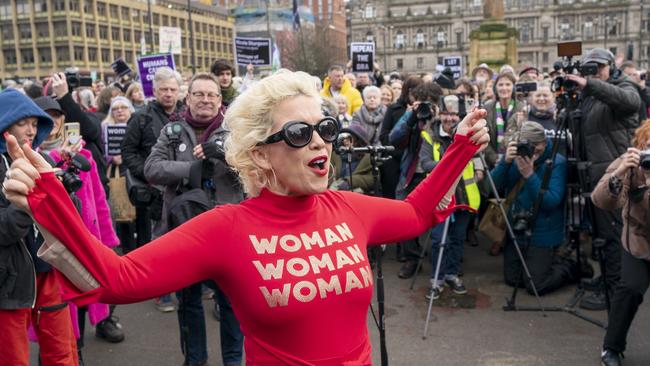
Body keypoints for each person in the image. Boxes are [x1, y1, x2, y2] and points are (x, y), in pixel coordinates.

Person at [2, 70, 489, 365]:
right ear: (260, 156)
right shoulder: (226, 229)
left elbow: (416, 211)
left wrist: (461, 146)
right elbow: (116, 279)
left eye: (324, 127)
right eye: (299, 132)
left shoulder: (349, 208)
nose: (319, 141)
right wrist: (48, 203)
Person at [144, 73, 245, 366]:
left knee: (231, 303)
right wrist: (190, 169)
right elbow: (152, 169)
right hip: (185, 229)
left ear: (219, 99)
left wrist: (225, 154)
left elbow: (256, 164)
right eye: (198, 94)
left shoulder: (235, 131)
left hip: (228, 230)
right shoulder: (172, 131)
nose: (205, 99)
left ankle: (233, 361)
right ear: (187, 99)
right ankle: (195, 360)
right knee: (188, 302)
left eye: (211, 95)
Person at [34, 96, 125, 353]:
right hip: (52, 247)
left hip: (86, 239)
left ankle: (81, 347)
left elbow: (99, 200)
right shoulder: (34, 158)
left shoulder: (83, 156)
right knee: (58, 309)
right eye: (45, 117)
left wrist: (108, 240)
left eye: (57, 116)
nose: (52, 121)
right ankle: (68, 350)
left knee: (85, 296)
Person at [0, 89, 78, 366]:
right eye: (23, 122)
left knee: (62, 355)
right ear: (4, 122)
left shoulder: (43, 160)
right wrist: (30, 202)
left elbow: (68, 220)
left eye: (35, 123)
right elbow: (4, 230)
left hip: (48, 271)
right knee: (13, 359)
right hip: (8, 281)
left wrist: (65, 196)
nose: (31, 130)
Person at [564, 48, 641, 310]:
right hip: (596, 178)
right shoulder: (589, 97)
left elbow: (631, 102)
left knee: (614, 238)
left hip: (618, 177)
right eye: (589, 68)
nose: (595, 72)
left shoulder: (622, 86)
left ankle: (614, 292)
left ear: (611, 66)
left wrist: (591, 85)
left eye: (599, 67)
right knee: (602, 236)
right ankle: (607, 279)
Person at [121, 67, 184, 312]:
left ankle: (195, 285)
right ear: (154, 91)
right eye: (164, 90)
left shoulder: (185, 115)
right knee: (160, 243)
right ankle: (162, 292)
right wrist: (147, 173)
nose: (168, 94)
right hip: (155, 190)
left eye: (172, 89)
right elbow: (128, 152)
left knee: (187, 238)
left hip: (182, 187)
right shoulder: (141, 117)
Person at [492, 122, 577, 296]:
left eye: (536, 147)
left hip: (542, 233)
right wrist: (505, 163)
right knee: (512, 280)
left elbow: (551, 201)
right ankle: (537, 265)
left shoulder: (556, 162)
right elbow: (492, 186)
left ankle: (570, 266)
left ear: (545, 143)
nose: (532, 152)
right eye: (527, 146)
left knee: (535, 286)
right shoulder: (517, 157)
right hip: (517, 228)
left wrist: (529, 175)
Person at [592, 120, 650, 366]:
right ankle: (611, 347)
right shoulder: (631, 163)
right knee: (629, 290)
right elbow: (600, 200)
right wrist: (619, 172)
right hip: (638, 240)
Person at [420, 95, 483, 298]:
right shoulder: (429, 135)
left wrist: (479, 166)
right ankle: (436, 279)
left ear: (461, 116)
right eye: (446, 113)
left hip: (464, 196)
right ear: (440, 114)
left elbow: (480, 156)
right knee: (439, 240)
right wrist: (451, 162)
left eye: (454, 114)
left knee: (457, 239)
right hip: (440, 198)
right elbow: (425, 163)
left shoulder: (468, 133)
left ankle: (451, 274)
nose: (449, 118)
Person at [389, 82, 444, 278]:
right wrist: (411, 116)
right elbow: (394, 138)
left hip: (437, 173)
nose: (425, 106)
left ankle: (445, 261)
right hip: (412, 173)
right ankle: (412, 259)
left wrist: (438, 118)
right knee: (403, 215)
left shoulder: (445, 115)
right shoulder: (412, 114)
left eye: (430, 103)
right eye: (422, 102)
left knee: (441, 217)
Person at [102, 97, 137, 253]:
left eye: (124, 107)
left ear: (130, 110)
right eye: (116, 108)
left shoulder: (137, 127)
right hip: (116, 174)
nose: (120, 111)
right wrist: (111, 158)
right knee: (119, 214)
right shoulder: (104, 129)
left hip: (135, 174)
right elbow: (100, 152)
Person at [484, 72, 523, 168]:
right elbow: (484, 137)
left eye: (508, 84)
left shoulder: (521, 108)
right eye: (500, 85)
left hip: (515, 162)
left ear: (513, 88)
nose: (504, 88)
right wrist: (494, 158)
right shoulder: (487, 108)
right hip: (492, 163)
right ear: (495, 88)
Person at [330, 123, 375, 194]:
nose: (345, 141)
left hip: (359, 194)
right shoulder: (336, 155)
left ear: (358, 140)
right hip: (337, 192)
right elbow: (328, 175)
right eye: (344, 138)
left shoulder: (368, 158)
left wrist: (348, 181)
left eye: (349, 138)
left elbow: (373, 179)